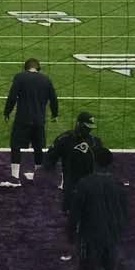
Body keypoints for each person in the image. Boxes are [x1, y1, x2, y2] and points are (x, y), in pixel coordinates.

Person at [68, 150, 127, 270]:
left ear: (95, 162)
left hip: (91, 234)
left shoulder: (85, 183)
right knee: (111, 268)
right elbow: (124, 211)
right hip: (112, 233)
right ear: (111, 163)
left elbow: (75, 212)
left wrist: (71, 233)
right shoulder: (118, 183)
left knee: (89, 269)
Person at [44, 112, 109, 262]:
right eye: (87, 127)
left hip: (91, 187)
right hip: (72, 186)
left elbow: (104, 164)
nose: (89, 130)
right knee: (72, 219)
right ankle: (71, 248)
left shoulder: (95, 142)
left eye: (91, 128)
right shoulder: (64, 139)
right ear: (79, 124)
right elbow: (50, 159)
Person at [1, 58, 58, 187]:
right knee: (38, 147)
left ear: (25, 68)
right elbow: (53, 99)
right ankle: (39, 176)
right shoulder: (46, 79)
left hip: (23, 118)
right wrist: (55, 114)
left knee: (15, 145)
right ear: (38, 68)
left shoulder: (20, 77)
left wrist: (7, 112)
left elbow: (12, 97)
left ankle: (15, 177)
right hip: (39, 120)